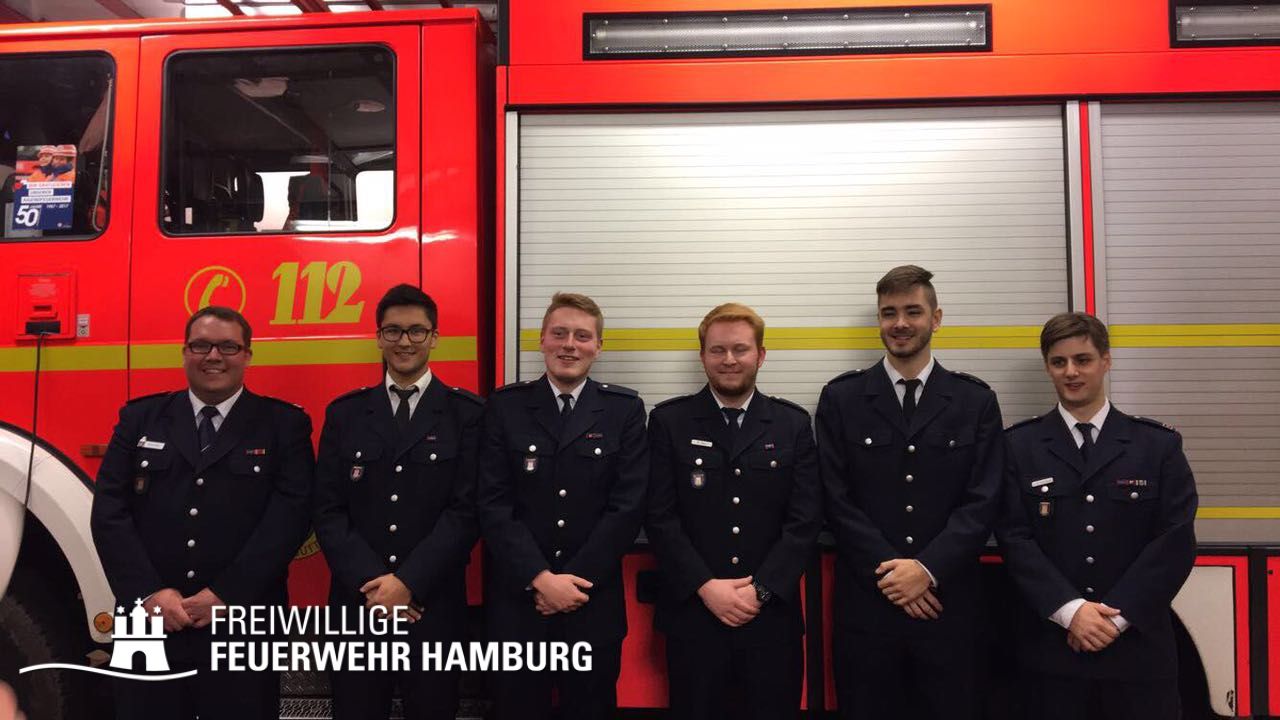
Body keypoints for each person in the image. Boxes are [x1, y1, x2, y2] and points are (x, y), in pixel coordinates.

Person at [90, 306, 314, 720]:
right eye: (201, 346)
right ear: (184, 352)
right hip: (150, 619)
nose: (213, 356)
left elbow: (291, 516)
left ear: (247, 355)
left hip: (243, 620)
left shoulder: (284, 424)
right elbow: (109, 510)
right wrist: (149, 594)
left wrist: (228, 594)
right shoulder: (139, 418)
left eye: (228, 346)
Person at [816, 264, 1004, 720]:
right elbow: (834, 498)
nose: (900, 323)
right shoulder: (842, 398)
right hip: (868, 610)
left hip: (948, 608)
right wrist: (894, 575)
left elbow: (984, 500)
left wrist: (927, 569)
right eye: (889, 313)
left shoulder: (974, 401)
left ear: (936, 318)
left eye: (912, 311)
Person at [996, 312, 1197, 719]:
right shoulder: (1019, 447)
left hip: (1137, 653)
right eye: (1059, 362)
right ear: (1048, 367)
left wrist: (1114, 619)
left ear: (1106, 361)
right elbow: (1014, 538)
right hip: (1053, 653)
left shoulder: (1157, 446)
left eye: (1083, 359)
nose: (1071, 372)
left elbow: (1174, 540)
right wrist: (1072, 612)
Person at [314, 284, 482, 720]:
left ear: (434, 337)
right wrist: (376, 584)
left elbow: (466, 511)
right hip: (359, 606)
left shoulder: (467, 414)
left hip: (433, 606)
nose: (404, 341)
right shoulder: (345, 413)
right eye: (393, 331)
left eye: (416, 331)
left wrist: (408, 582)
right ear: (378, 337)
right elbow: (327, 509)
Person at [645, 303, 821, 720]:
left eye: (740, 349)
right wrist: (706, 587)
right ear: (702, 355)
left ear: (760, 355)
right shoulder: (670, 421)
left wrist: (760, 591)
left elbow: (805, 520)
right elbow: (659, 516)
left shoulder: (792, 424)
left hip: (770, 619)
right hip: (694, 617)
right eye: (717, 349)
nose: (729, 360)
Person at [477, 292, 649, 720]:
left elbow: (627, 507)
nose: (570, 345)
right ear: (542, 340)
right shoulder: (505, 407)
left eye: (582, 336)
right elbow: (493, 503)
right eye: (559, 333)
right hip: (519, 606)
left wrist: (571, 585)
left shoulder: (624, 410)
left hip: (591, 605)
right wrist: (540, 579)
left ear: (599, 346)